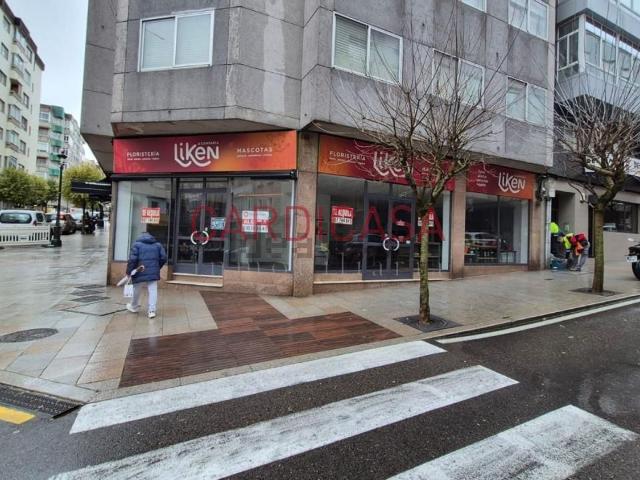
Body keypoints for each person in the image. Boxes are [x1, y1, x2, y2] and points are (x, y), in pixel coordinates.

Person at [126, 232, 167, 318]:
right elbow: (163, 258)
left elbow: (132, 260)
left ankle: (134, 306)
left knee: (136, 289)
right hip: (153, 270)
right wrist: (157, 267)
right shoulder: (158, 245)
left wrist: (129, 271)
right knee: (153, 290)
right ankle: (151, 311)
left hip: (139, 270)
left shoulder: (136, 245)